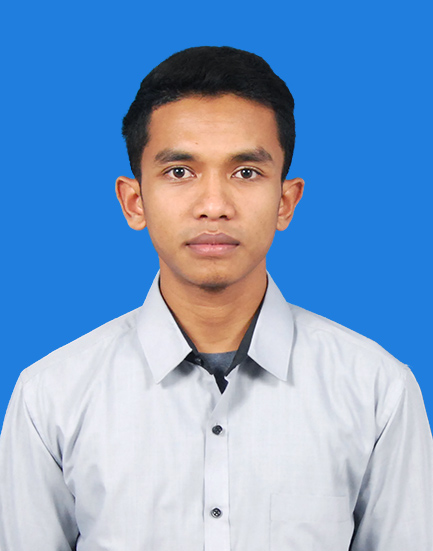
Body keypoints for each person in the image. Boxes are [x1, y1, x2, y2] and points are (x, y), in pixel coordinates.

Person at [0, 46, 432, 551]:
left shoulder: (377, 391)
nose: (213, 206)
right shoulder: (51, 397)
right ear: (134, 201)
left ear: (285, 201)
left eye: (245, 172)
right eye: (179, 172)